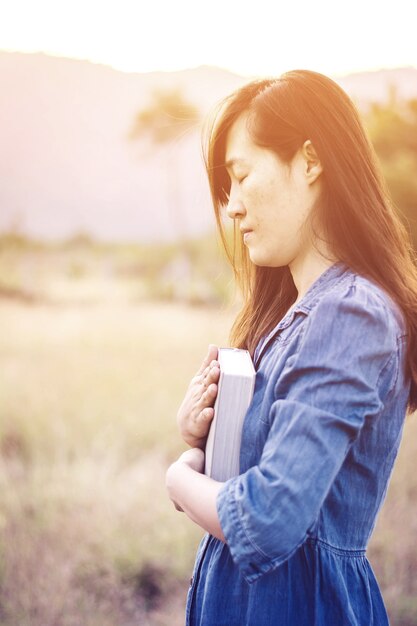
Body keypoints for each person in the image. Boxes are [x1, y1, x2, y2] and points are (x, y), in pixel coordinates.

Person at [165, 69, 417, 626]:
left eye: (242, 175)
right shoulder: (289, 316)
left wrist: (180, 479)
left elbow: (268, 518)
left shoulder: (351, 312)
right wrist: (205, 442)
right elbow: (260, 480)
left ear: (310, 161)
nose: (231, 207)